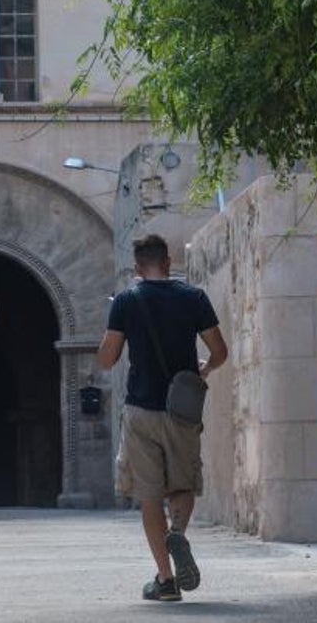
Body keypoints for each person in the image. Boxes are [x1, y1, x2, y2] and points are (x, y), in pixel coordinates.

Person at [96, 234, 229, 602]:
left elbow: (106, 359)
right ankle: (179, 532)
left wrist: (112, 330)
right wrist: (201, 370)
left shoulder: (126, 301)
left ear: (138, 268)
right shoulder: (193, 298)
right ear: (169, 263)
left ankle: (166, 582)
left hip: (140, 409)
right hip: (181, 410)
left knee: (150, 495)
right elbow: (219, 351)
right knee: (182, 482)